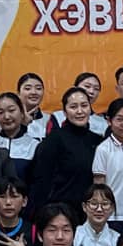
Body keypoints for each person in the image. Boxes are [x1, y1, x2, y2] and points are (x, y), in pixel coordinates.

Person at [25, 86, 101, 214]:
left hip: (91, 213)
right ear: (65, 112)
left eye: (84, 106)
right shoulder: (54, 140)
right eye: (73, 107)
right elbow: (41, 182)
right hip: (59, 213)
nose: (80, 111)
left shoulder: (97, 141)